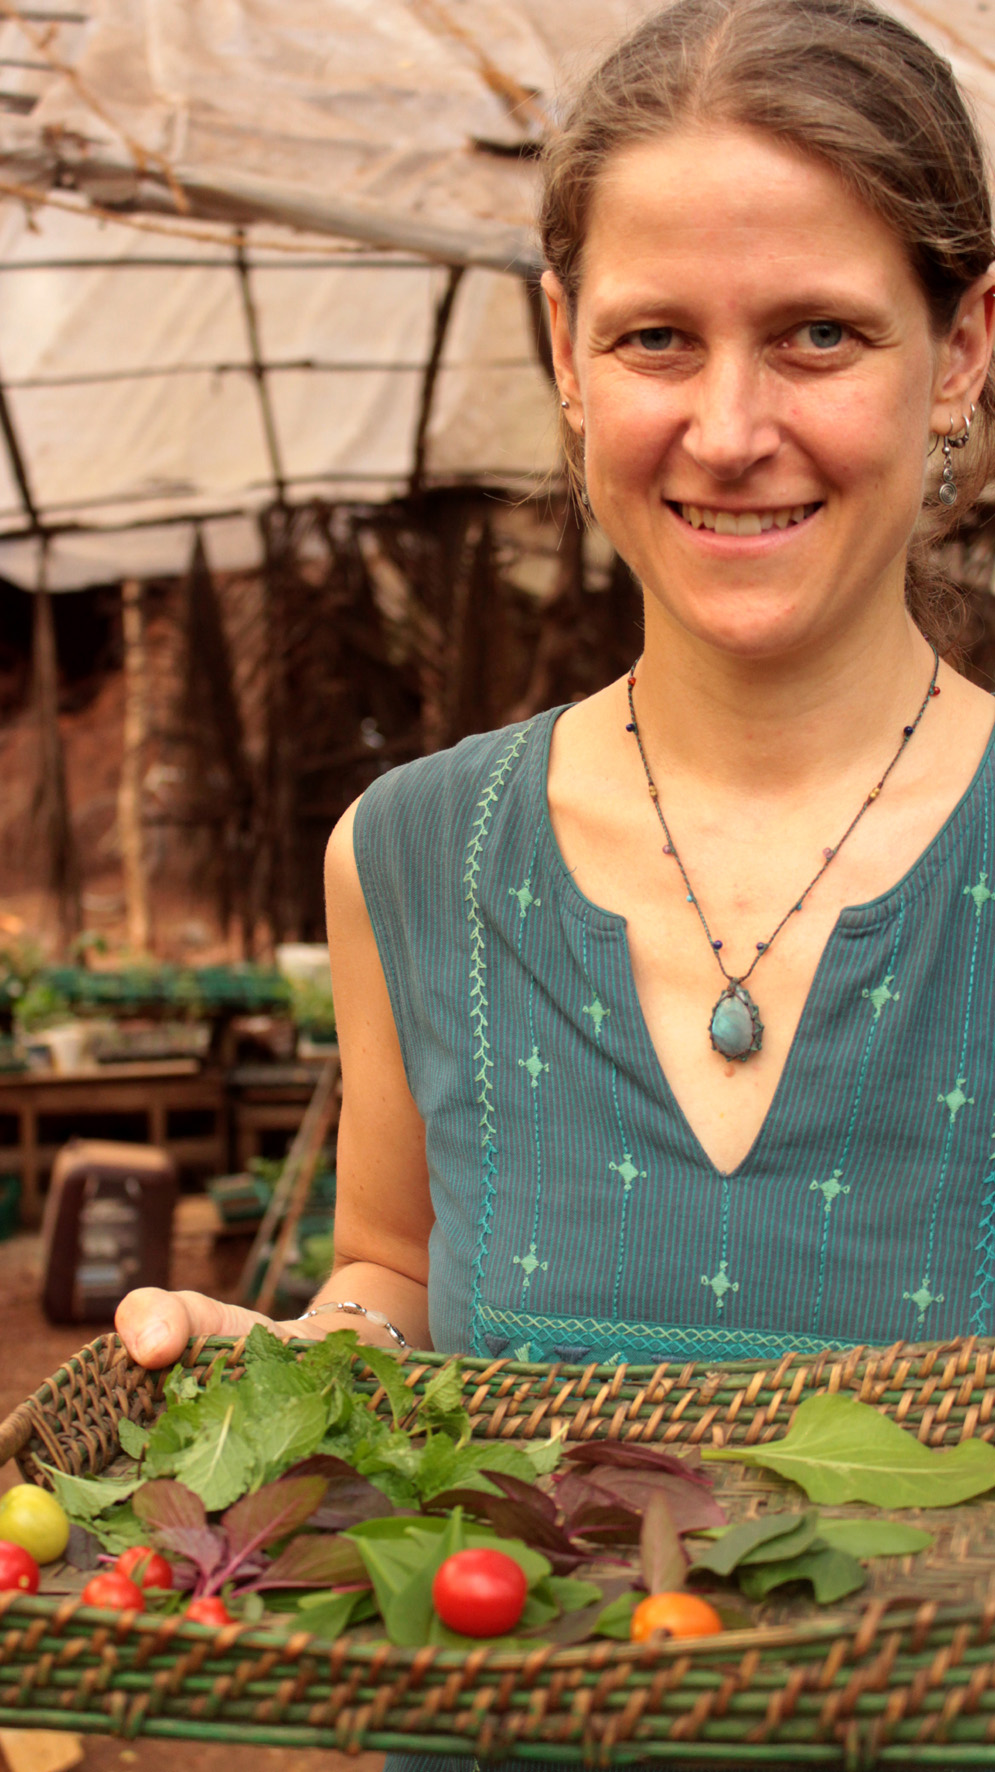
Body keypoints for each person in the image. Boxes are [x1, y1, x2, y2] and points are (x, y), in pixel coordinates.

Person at [119, 0, 995, 1382]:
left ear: (960, 351)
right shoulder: (413, 857)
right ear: (565, 349)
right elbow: (394, 1268)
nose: (729, 430)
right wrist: (310, 1367)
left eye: (819, 334)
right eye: (655, 339)